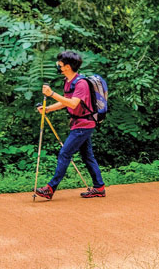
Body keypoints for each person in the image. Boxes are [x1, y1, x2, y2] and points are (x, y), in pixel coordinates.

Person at [33, 50, 106, 200]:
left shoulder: (81, 84)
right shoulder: (69, 81)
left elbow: (73, 103)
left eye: (60, 62)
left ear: (67, 66)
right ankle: (99, 187)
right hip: (79, 123)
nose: (58, 65)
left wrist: (51, 94)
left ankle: (50, 188)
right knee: (87, 156)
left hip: (84, 124)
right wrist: (48, 109)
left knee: (65, 153)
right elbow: (65, 102)